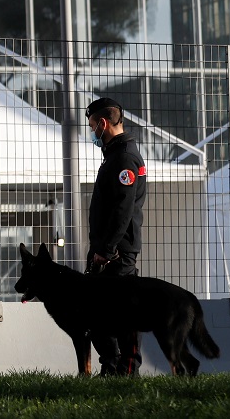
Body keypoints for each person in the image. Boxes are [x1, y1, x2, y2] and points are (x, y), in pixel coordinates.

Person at [84, 97, 148, 376]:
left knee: (123, 315)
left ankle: (126, 369)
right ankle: (112, 367)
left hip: (117, 252)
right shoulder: (115, 155)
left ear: (103, 123)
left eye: (92, 126)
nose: (92, 133)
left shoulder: (124, 158)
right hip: (106, 249)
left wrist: (107, 249)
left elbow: (123, 210)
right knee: (96, 313)